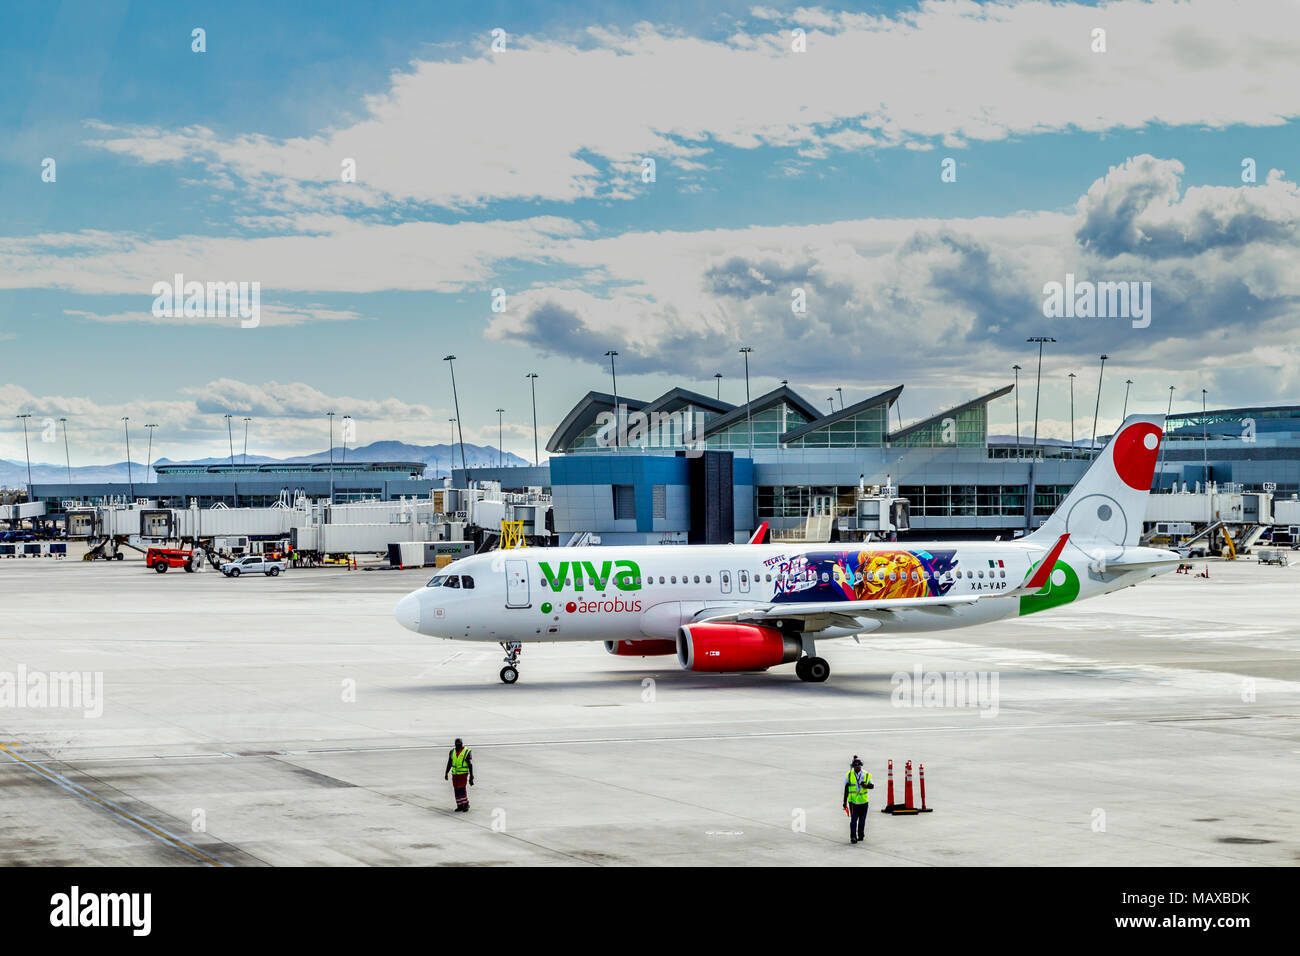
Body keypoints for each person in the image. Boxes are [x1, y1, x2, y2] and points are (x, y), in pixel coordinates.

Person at [843, 755, 873, 844]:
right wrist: (844, 801)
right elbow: (846, 788)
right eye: (855, 767)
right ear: (853, 767)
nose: (857, 768)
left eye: (858, 766)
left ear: (861, 766)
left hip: (864, 802)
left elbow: (872, 786)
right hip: (853, 802)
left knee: (862, 820)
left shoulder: (867, 775)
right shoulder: (849, 775)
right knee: (853, 820)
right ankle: (853, 837)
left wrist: (866, 786)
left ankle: (860, 835)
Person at [444, 738, 474, 811]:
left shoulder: (466, 752)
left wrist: (471, 776)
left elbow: (470, 765)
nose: (458, 745)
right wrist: (446, 772)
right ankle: (460, 805)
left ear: (461, 744)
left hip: (463, 774)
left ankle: (466, 804)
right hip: (455, 774)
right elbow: (449, 763)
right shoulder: (452, 752)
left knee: (461, 789)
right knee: (456, 789)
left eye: (459, 744)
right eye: (456, 744)